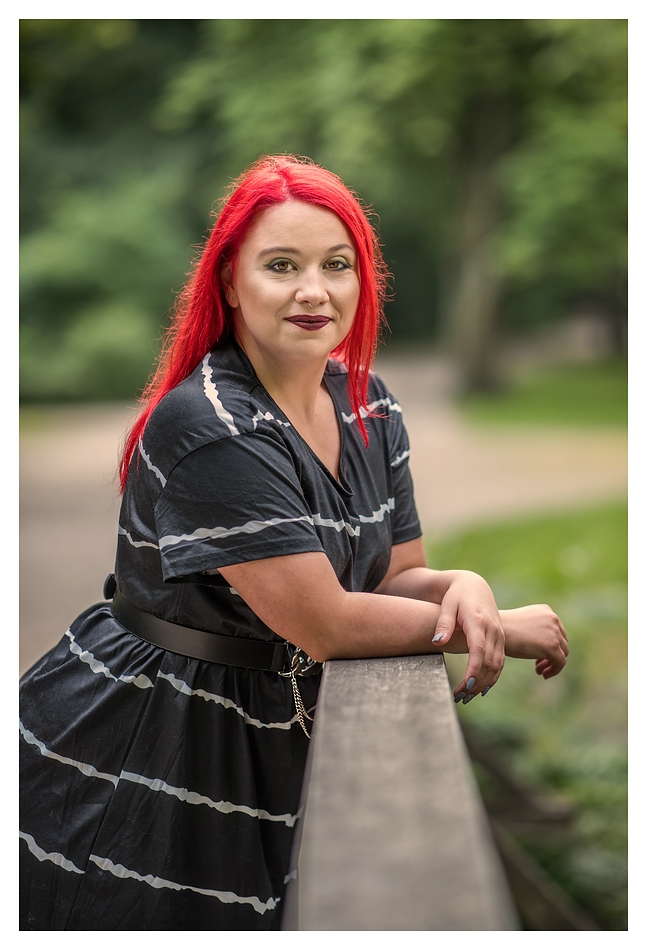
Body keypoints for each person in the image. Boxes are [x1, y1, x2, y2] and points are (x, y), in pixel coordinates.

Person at [19, 154, 568, 931]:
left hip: (268, 724)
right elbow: (326, 623)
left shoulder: (368, 404)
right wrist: (498, 629)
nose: (314, 290)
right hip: (150, 742)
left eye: (335, 265)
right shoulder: (212, 426)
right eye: (282, 266)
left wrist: (462, 588)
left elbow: (390, 577)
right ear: (229, 282)